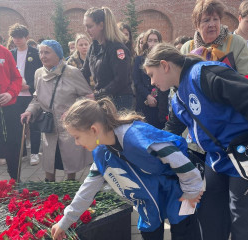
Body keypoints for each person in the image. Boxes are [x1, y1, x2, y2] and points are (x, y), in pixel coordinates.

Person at [143, 43, 248, 240]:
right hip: (219, 159)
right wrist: (144, 149)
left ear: (165, 65)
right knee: (209, 217)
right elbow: (170, 132)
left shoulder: (202, 74)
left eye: (151, 74)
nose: (151, 82)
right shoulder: (178, 98)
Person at [51, 98, 204, 240]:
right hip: (149, 203)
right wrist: (64, 222)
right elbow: (87, 190)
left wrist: (192, 190)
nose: (76, 143)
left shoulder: (134, 136)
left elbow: (177, 157)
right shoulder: (101, 153)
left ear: (93, 129)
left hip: (177, 192)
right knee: (150, 233)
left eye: (77, 137)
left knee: (184, 233)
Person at [20, 40, 93, 182]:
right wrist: (29, 111)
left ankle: (70, 187)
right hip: (50, 127)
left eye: (47, 52)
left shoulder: (72, 72)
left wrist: (73, 111)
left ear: (58, 55)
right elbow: (37, 98)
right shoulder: (39, 73)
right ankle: (50, 190)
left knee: (70, 162)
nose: (42, 55)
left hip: (69, 127)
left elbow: (87, 97)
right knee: (49, 162)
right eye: (41, 52)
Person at [180, 0, 248, 80]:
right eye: (206, 20)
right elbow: (181, 80)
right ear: (196, 25)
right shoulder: (187, 48)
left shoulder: (236, 42)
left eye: (215, 19)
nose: (212, 24)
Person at [81, 7, 133, 110]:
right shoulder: (93, 46)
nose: (86, 30)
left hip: (119, 101)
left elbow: (121, 80)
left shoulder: (117, 48)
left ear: (101, 25)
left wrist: (97, 95)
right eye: (85, 26)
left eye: (90, 26)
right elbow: (84, 72)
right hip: (103, 100)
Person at [0, 27, 22, 188]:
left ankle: (15, 181)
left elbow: (17, 78)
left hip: (8, 108)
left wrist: (10, 94)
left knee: (13, 145)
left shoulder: (4, 52)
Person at [9, 23, 42, 166]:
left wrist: (29, 86)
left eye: (20, 37)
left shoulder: (36, 53)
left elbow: (40, 74)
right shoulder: (10, 54)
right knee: (17, 125)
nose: (17, 40)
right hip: (15, 95)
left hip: (31, 94)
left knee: (33, 124)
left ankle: (34, 153)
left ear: (26, 37)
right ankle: (22, 153)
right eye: (14, 37)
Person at [133, 29, 169, 129]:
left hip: (160, 102)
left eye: (155, 40)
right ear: (146, 42)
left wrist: (156, 97)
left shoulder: (164, 60)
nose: (152, 43)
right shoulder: (139, 59)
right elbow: (137, 81)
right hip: (144, 100)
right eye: (150, 40)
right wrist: (148, 96)